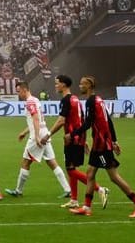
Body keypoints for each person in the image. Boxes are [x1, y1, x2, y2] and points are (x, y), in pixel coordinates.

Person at [73, 76, 135, 218]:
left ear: (89, 85)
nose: (80, 86)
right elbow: (109, 121)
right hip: (100, 143)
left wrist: (74, 134)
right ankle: (86, 207)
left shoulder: (91, 101)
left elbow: (88, 123)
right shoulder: (99, 100)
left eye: (82, 84)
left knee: (114, 177)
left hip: (101, 145)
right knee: (90, 174)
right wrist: (114, 140)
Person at [5, 79, 70, 198]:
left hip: (38, 135)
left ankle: (18, 191)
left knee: (25, 162)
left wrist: (35, 136)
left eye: (19, 92)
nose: (18, 94)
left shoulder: (30, 102)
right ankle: (68, 189)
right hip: (44, 132)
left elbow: (35, 118)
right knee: (52, 162)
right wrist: (25, 132)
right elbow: (37, 120)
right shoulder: (35, 100)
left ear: (25, 90)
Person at [42, 74, 90, 209]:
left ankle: (99, 189)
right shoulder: (75, 99)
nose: (55, 85)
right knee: (72, 168)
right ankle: (74, 200)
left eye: (57, 83)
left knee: (70, 170)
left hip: (71, 139)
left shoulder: (66, 100)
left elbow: (61, 121)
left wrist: (48, 134)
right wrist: (83, 139)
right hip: (78, 138)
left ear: (63, 84)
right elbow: (81, 120)